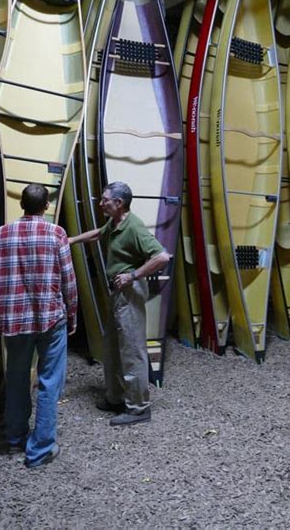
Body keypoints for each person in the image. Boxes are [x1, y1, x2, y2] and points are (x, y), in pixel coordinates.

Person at [0, 183, 77, 468]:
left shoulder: (1, 234)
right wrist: (72, 315)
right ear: (46, 206)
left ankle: (14, 439)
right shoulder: (56, 234)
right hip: (50, 319)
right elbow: (68, 280)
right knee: (49, 383)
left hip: (14, 321)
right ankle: (40, 450)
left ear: (22, 205)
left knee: (16, 377)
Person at [69, 181, 170, 427]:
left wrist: (133, 275)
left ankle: (139, 408)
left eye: (105, 199)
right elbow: (97, 234)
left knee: (132, 349)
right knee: (113, 347)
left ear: (119, 203)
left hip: (130, 290)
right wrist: (70, 240)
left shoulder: (133, 226)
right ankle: (116, 397)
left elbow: (162, 256)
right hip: (118, 291)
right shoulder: (115, 224)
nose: (101, 203)